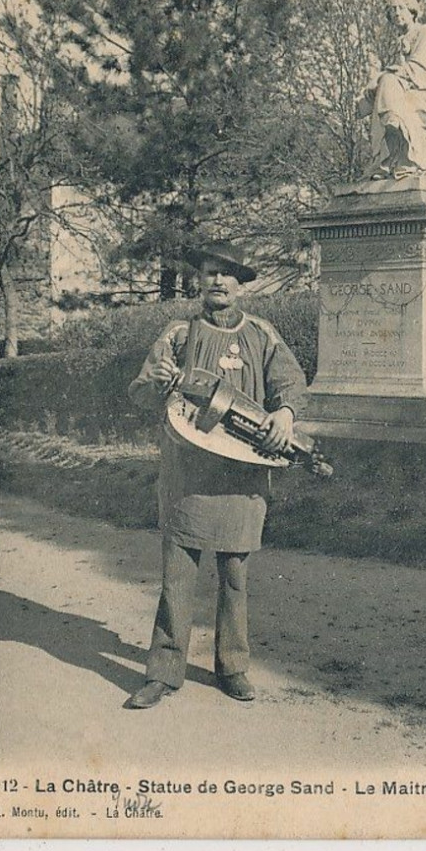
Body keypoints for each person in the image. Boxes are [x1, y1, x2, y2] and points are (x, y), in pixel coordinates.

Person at [125, 242, 307, 708]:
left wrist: (284, 414)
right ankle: (164, 672)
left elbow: (290, 385)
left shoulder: (262, 334)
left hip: (243, 474)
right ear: (199, 280)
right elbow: (141, 393)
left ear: (240, 283)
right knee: (177, 577)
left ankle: (233, 667)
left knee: (235, 576)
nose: (218, 282)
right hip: (187, 471)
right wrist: (157, 381)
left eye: (227, 275)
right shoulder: (178, 334)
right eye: (210, 273)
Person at [360, 0, 426, 179]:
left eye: (400, 8)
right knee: (387, 92)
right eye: (391, 10)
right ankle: (385, 157)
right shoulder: (397, 42)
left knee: (399, 95)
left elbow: (422, 71)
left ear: (412, 11)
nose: (396, 13)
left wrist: (383, 77)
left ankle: (409, 160)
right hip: (410, 90)